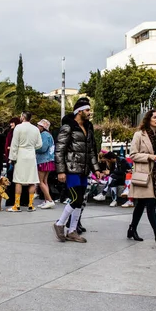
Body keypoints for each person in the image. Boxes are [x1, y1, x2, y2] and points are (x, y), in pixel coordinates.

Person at [53, 97, 102, 243]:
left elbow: (92, 151)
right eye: (87, 110)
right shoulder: (68, 127)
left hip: (84, 170)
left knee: (80, 201)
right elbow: (59, 150)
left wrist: (96, 169)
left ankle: (72, 231)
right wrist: (61, 171)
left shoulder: (88, 128)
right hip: (71, 168)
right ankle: (60, 224)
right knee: (76, 198)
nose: (89, 112)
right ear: (79, 111)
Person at [127, 109, 156, 246]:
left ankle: (132, 229)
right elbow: (133, 155)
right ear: (148, 120)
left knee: (141, 205)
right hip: (143, 174)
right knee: (150, 204)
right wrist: (150, 157)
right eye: (154, 117)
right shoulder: (139, 135)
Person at [7, 111, 42, 212]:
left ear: (23, 117)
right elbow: (39, 144)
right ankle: (30, 205)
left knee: (18, 181)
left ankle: (17, 205)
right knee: (32, 181)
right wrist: (32, 147)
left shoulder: (18, 128)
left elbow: (14, 144)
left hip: (21, 155)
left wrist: (12, 158)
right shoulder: (35, 129)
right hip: (31, 155)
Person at [35, 119, 56, 209]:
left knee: (40, 182)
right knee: (45, 181)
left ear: (43, 127)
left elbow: (42, 148)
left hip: (43, 160)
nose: (37, 127)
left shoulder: (44, 135)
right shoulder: (49, 135)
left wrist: (34, 148)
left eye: (39, 126)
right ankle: (47, 200)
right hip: (49, 160)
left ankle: (50, 200)